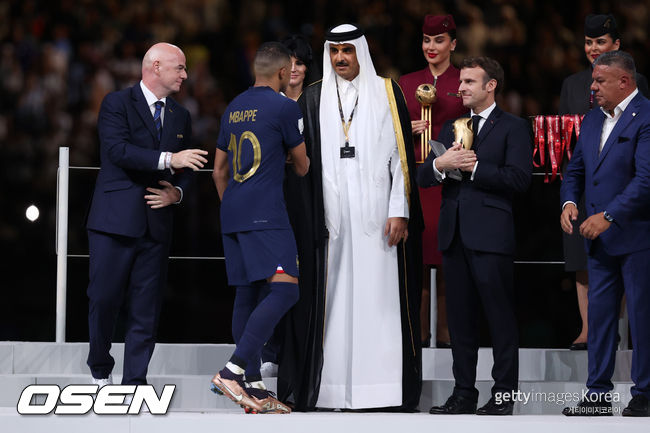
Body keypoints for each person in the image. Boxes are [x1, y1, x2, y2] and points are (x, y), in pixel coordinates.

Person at [278, 23, 423, 411]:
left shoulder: (387, 91)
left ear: (361, 51)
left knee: (381, 303)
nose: (341, 58)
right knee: (333, 302)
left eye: (348, 50)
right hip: (330, 219)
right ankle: (332, 391)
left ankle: (383, 392)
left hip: (379, 217)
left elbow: (400, 159)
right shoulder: (312, 97)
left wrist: (399, 211)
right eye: (335, 51)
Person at [86, 43, 208, 388]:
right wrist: (170, 160)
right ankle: (99, 368)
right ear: (156, 67)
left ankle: (135, 380)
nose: (185, 75)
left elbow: (190, 165)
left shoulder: (181, 115)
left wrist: (178, 192)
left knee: (146, 307)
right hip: (113, 222)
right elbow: (117, 151)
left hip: (156, 224)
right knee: (104, 298)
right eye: (180, 68)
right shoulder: (116, 103)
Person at [418, 57, 532, 415]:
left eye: (469, 81)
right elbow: (423, 176)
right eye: (461, 81)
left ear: (491, 85)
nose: (461, 87)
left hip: (492, 236)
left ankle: (502, 396)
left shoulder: (513, 127)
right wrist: (440, 164)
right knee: (460, 322)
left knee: (499, 319)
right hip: (454, 236)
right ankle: (463, 393)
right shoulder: (453, 126)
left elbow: (519, 180)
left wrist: (476, 166)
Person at [210, 41, 310, 414]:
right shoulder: (284, 107)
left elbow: (219, 171)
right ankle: (233, 371)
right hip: (267, 214)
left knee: (247, 294)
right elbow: (302, 166)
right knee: (286, 292)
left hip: (232, 212)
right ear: (283, 73)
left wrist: (234, 207)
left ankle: (253, 385)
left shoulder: (233, 106)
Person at [561, 50, 650, 417]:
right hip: (598, 240)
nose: (592, 87)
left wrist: (608, 216)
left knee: (643, 318)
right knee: (598, 319)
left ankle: (644, 394)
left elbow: (646, 180)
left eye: (599, 81)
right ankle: (597, 394)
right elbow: (575, 170)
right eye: (593, 80)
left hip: (638, 237)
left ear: (624, 82)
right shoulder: (592, 118)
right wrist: (567, 203)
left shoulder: (646, 115)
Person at [399, 14, 468, 348]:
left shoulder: (465, 80)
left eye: (439, 40)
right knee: (418, 259)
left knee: (449, 258)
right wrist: (404, 127)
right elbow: (387, 130)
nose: (431, 46)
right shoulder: (405, 82)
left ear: (452, 44)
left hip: (452, 181)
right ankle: (418, 335)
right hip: (416, 179)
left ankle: (447, 335)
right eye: (426, 40)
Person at [257, 34, 314, 380]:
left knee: (306, 275)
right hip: (273, 199)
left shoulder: (319, 104)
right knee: (273, 276)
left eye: (301, 62)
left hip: (309, 198)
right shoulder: (267, 103)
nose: (294, 68)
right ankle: (270, 350)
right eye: (289, 61)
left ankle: (303, 348)